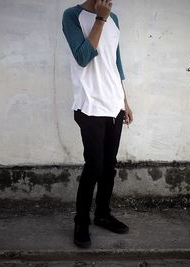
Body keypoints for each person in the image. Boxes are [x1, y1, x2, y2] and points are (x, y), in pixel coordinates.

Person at [62, 0, 133, 248]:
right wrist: (100, 20)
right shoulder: (72, 16)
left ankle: (102, 214)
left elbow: (117, 63)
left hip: (114, 103)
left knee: (109, 165)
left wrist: (125, 101)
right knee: (94, 165)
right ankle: (81, 220)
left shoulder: (114, 19)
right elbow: (82, 57)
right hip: (89, 104)